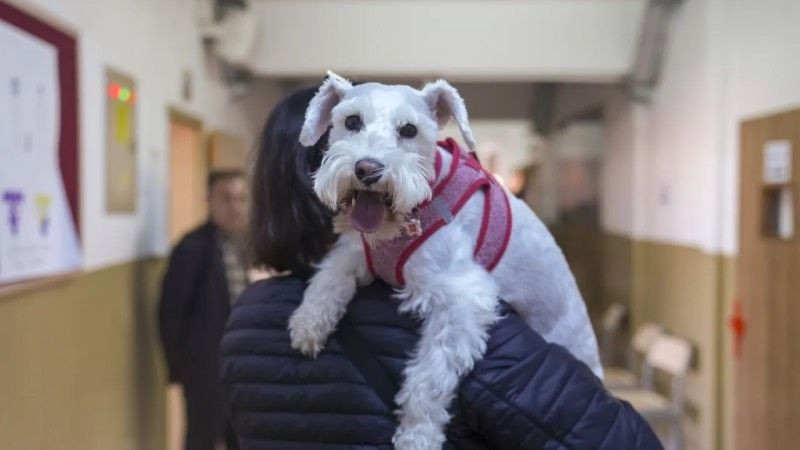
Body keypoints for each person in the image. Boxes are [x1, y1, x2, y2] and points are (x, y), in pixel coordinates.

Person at [220, 87, 662, 449]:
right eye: (352, 125)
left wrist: (420, 423)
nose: (370, 157)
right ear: (323, 148)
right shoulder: (414, 271)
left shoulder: (244, 321)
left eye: (405, 131)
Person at [159, 170, 249, 450]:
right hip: (204, 369)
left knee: (243, 436)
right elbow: (170, 313)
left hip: (243, 365)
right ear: (209, 201)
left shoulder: (251, 245)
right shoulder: (192, 247)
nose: (234, 206)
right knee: (201, 437)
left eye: (241, 199)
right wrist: (180, 368)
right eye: (226, 198)